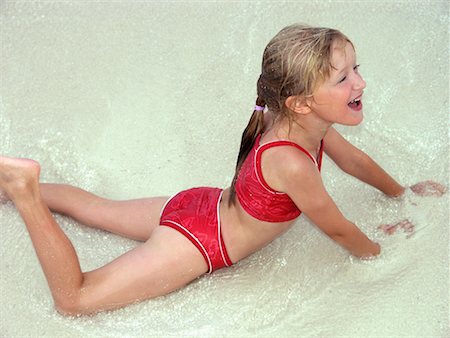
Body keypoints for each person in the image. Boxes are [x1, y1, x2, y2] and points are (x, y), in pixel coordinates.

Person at [0, 24, 446, 316]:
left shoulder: (296, 122)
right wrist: (380, 255)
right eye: (343, 78)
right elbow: (338, 229)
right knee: (75, 299)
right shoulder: (293, 161)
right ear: (302, 101)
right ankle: (22, 188)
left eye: (356, 69)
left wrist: (399, 190)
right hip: (197, 244)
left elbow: (355, 160)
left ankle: (6, 182)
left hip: (197, 205)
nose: (360, 83)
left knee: (96, 208)